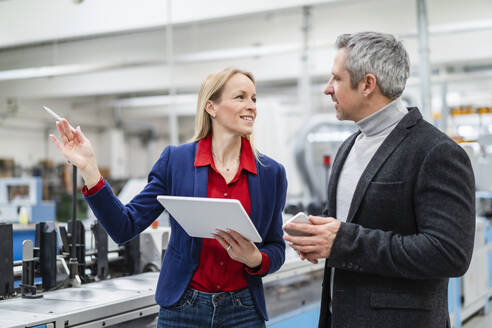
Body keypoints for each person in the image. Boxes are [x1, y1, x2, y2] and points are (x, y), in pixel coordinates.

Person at [50, 68, 287, 327]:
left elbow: (275, 246)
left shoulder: (270, 173)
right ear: (211, 107)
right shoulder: (177, 161)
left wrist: (255, 259)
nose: (251, 106)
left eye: (254, 98)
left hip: (243, 311)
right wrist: (90, 169)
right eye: (240, 97)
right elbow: (124, 225)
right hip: (183, 308)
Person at [283, 32, 475, 328]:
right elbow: (350, 219)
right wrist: (314, 235)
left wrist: (342, 240)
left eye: (336, 79)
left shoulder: (435, 152)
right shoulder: (349, 146)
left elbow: (449, 253)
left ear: (367, 84)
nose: (327, 89)